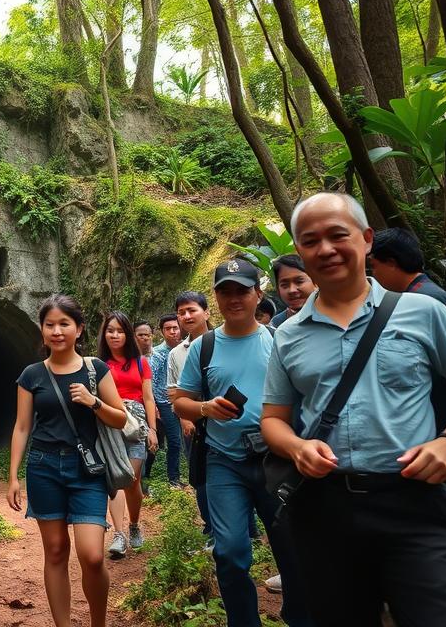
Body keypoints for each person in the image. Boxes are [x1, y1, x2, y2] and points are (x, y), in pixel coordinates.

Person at [262, 193, 446, 626]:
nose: (325, 249)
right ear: (300, 253)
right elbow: (273, 420)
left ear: (366, 240)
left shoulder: (424, 313)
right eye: (310, 241)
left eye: (337, 235)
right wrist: (297, 448)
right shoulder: (288, 336)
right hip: (326, 511)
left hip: (414, 503)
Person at [175, 260, 311, 627]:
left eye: (242, 290)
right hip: (224, 460)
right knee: (232, 552)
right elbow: (181, 400)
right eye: (225, 291)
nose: (234, 298)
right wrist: (206, 408)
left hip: (276, 458)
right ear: (216, 296)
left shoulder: (279, 340)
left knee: (291, 550)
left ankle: (299, 616)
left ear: (258, 294)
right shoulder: (204, 347)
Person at [7, 294, 127, 627]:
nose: (57, 331)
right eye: (50, 325)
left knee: (92, 555)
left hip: (86, 469)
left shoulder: (96, 369)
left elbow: (120, 419)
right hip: (44, 467)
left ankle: (97, 622)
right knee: (56, 551)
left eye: (64, 324)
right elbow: (21, 426)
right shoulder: (31, 375)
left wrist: (93, 402)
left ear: (79, 329)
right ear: (42, 331)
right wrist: (14, 476)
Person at [98, 311, 158, 556]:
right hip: (110, 425)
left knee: (133, 480)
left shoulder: (140, 362)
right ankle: (119, 535)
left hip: (136, 427)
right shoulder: (98, 364)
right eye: (110, 330)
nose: (114, 335)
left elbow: (148, 397)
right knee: (117, 478)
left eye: (120, 331)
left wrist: (153, 429)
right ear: (104, 334)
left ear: (128, 334)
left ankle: (133, 525)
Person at [167, 291, 214, 542]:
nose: (186, 316)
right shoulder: (177, 353)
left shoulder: (224, 340)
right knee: (199, 475)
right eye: (181, 312)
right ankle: (210, 527)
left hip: (225, 421)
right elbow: (174, 391)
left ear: (206, 312)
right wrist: (185, 418)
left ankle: (249, 529)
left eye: (191, 310)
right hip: (194, 423)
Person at [369, 226, 446, 307]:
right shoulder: (420, 292)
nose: (373, 274)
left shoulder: (424, 300)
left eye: (373, 266)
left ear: (391, 263)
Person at [148, 314, 184, 490]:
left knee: (182, 439)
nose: (172, 332)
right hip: (164, 402)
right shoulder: (157, 354)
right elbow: (151, 382)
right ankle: (172, 479)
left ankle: (178, 475)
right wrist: (154, 405)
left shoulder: (187, 348)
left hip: (184, 400)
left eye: (175, 328)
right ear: (162, 331)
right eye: (168, 328)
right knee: (173, 440)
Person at [270, 255, 314, 328]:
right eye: (284, 285)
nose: (291, 290)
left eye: (299, 282)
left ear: (316, 281)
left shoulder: (335, 316)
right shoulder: (277, 325)